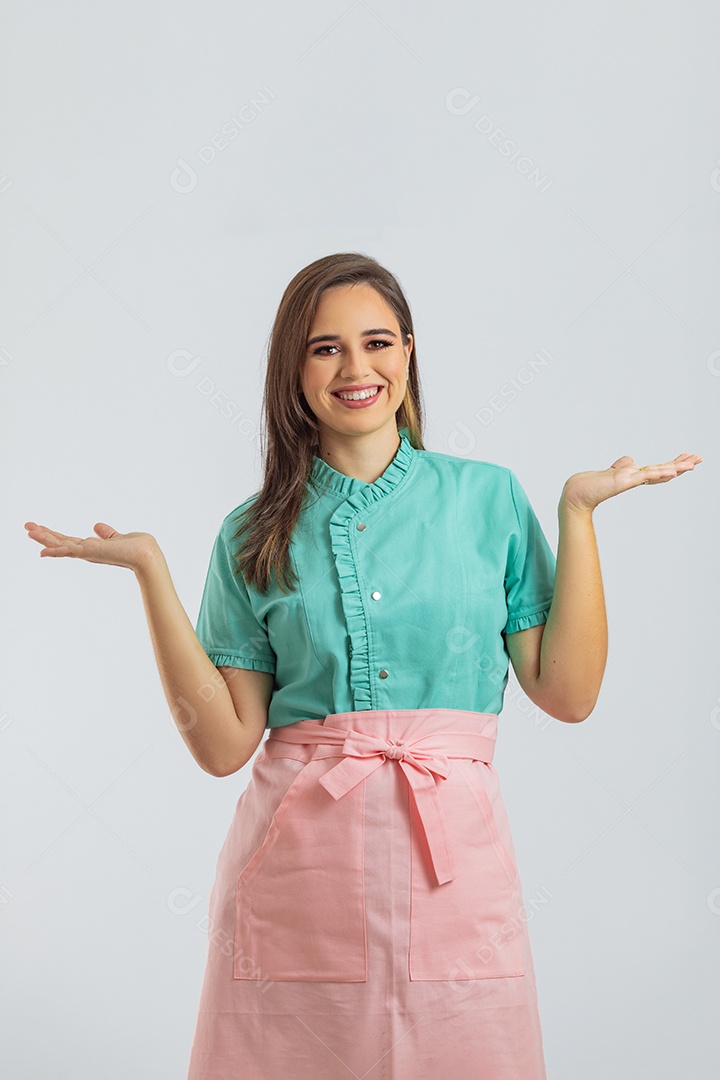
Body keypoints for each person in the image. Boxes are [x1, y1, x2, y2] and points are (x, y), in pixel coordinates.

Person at [24, 252, 702, 1079]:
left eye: (377, 341)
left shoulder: (489, 499)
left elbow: (567, 694)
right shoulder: (251, 532)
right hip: (298, 866)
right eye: (324, 348)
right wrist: (150, 573)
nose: (356, 368)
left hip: (454, 861)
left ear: (409, 352)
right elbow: (224, 747)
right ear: (293, 371)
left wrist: (579, 515)